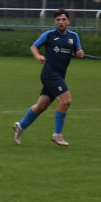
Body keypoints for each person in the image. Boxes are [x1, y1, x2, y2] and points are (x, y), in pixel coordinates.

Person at [12, 9, 85, 147]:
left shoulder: (74, 36)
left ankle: (20, 126)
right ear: (55, 22)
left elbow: (78, 51)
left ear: (68, 21)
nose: (61, 22)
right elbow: (34, 47)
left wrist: (80, 53)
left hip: (60, 75)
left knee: (42, 105)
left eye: (63, 19)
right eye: (58, 20)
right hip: (49, 74)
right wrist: (38, 56)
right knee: (66, 101)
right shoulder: (49, 35)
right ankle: (57, 134)